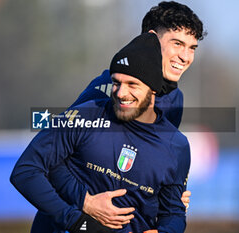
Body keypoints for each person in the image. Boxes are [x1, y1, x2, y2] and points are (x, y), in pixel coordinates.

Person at [28, 1, 205, 232]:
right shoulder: (108, 89)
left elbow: (151, 165)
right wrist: (86, 201)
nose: (185, 56)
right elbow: (50, 159)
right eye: (177, 43)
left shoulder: (175, 100)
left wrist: (166, 201)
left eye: (192, 48)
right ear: (151, 38)